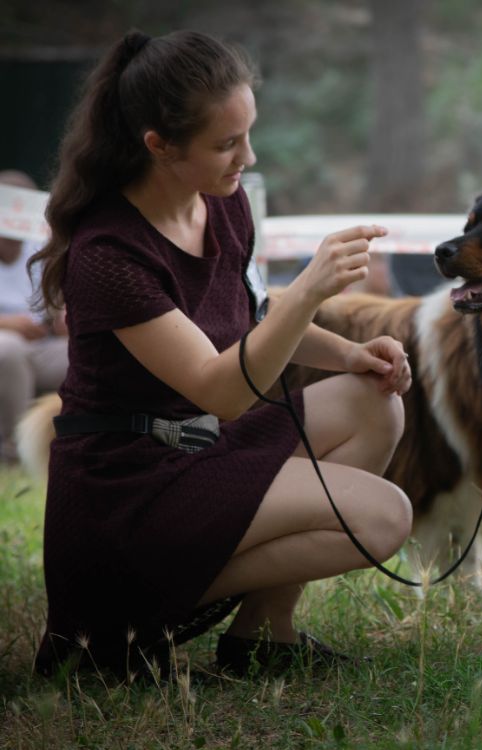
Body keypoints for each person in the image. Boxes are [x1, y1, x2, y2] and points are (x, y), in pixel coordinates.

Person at [28, 30, 413, 678]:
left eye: (249, 134)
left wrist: (350, 354)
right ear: (159, 145)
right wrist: (313, 289)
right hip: (128, 490)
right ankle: (121, 625)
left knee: (374, 403)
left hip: (201, 448)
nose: (248, 157)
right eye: (227, 143)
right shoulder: (108, 255)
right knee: (383, 518)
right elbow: (222, 387)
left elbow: (250, 318)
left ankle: (264, 637)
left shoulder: (225, 205)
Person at [0, 170, 68, 463]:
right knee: (8, 349)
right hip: (9, 345)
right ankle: (12, 450)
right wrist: (7, 324)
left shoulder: (44, 246)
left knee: (90, 351)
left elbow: (59, 312)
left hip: (44, 344)